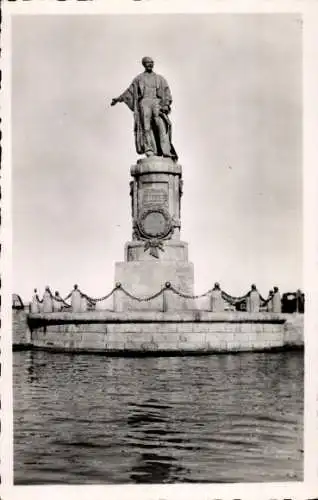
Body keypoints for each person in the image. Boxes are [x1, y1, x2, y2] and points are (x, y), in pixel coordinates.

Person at [111, 57, 178, 160]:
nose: (150, 64)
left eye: (151, 63)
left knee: (161, 125)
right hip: (144, 103)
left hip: (157, 102)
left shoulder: (160, 78)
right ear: (144, 64)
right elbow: (129, 91)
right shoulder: (139, 79)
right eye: (147, 63)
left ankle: (166, 150)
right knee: (146, 127)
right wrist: (118, 99)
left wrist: (166, 104)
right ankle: (150, 150)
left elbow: (167, 92)